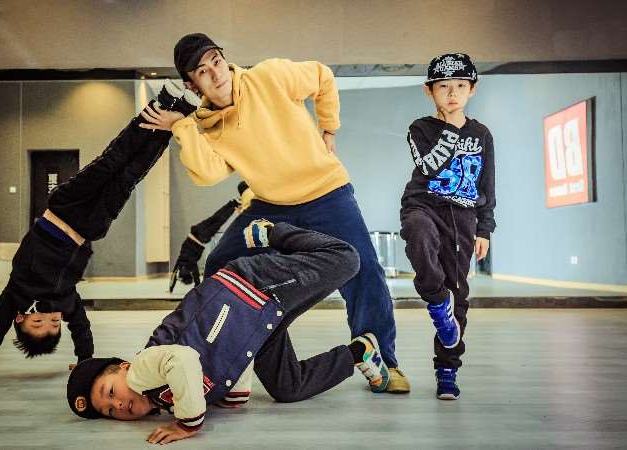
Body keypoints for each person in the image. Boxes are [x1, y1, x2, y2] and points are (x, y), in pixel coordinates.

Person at [139, 32, 409, 393]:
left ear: (224, 59)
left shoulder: (269, 76)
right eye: (202, 71)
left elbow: (322, 76)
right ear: (192, 84)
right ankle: (237, 352)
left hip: (326, 192)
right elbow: (207, 174)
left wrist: (329, 127)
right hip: (270, 205)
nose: (216, 73)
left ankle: (384, 361)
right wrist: (181, 125)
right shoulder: (207, 124)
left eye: (216, 61)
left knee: (364, 269)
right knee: (220, 265)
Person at [0, 81, 200, 387]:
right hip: (90, 226)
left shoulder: (16, 294)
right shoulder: (66, 301)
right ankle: (181, 114)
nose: (49, 315)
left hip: (64, 208)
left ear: (20, 318)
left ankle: (162, 102)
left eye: (39, 321)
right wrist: (84, 364)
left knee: (113, 159)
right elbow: (82, 329)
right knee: (131, 174)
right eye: (54, 323)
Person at [67, 221, 390, 444]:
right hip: (257, 324)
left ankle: (273, 232)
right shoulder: (164, 399)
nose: (119, 404)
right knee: (287, 387)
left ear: (123, 367)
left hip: (249, 289)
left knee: (346, 259)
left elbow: (183, 360)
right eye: (110, 411)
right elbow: (222, 365)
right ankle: (359, 352)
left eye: (111, 392)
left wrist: (188, 424)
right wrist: (229, 396)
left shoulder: (143, 369)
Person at [399, 53, 496, 400]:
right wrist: (452, 130)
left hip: (463, 218)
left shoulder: (482, 134)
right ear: (429, 91)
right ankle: (437, 301)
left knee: (460, 294)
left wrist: (484, 229)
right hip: (423, 206)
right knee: (419, 234)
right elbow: (430, 168)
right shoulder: (420, 129)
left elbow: (487, 183)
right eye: (443, 87)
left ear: (472, 89)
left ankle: (447, 369)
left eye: (460, 86)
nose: (452, 94)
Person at [169, 181, 252, 292]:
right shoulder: (182, 262)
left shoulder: (189, 264)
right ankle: (233, 203)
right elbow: (175, 275)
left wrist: (197, 286)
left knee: (219, 220)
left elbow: (195, 276)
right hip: (194, 233)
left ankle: (234, 204)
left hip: (201, 238)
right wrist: (171, 288)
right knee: (216, 217)